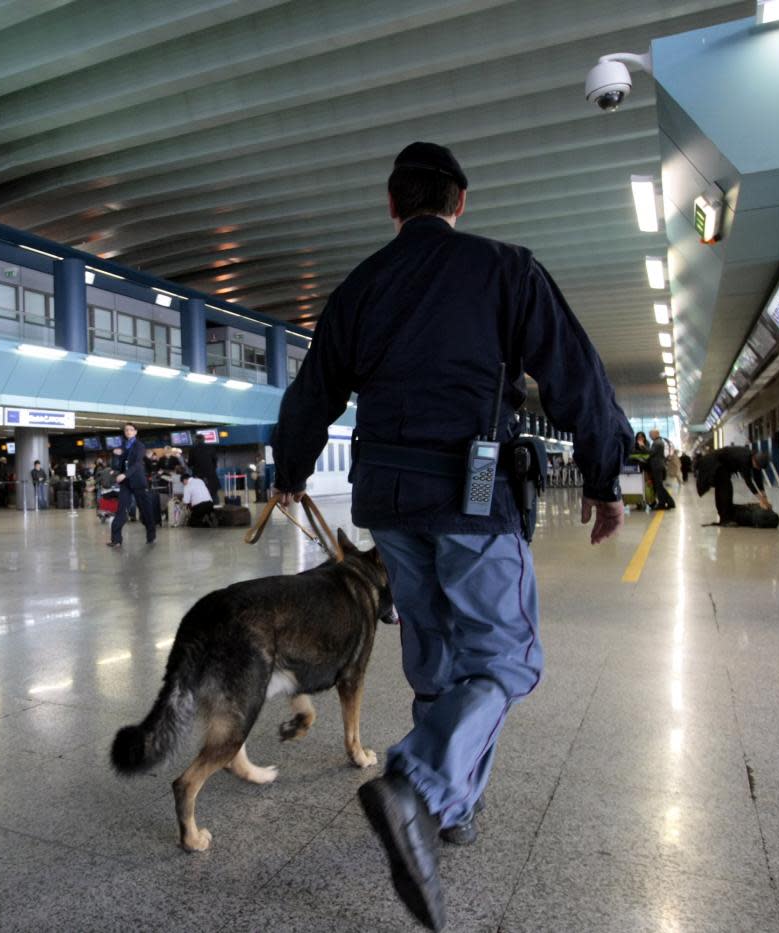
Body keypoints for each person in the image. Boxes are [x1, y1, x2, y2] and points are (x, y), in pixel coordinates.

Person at [268, 142, 630, 930]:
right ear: (459, 201)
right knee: (505, 656)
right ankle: (424, 784)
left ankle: (457, 807)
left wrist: (290, 468)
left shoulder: (360, 286)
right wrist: (605, 475)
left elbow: (314, 389)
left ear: (393, 206)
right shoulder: (505, 269)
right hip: (471, 493)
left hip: (389, 500)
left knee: (434, 653)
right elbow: (575, 371)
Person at [107, 422, 157, 549]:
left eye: (130, 430)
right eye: (126, 430)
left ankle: (151, 536)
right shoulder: (123, 446)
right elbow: (120, 463)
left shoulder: (139, 446)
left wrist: (125, 474)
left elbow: (137, 464)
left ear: (135, 432)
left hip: (138, 481)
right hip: (126, 484)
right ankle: (116, 540)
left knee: (145, 510)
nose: (128, 432)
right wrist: (115, 460)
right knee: (121, 510)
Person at [696, 445, 771, 525]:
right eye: (757, 466)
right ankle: (725, 519)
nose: (757, 468)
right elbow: (748, 481)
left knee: (724, 488)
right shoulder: (744, 459)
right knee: (726, 490)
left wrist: (764, 496)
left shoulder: (755, 458)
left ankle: (725, 517)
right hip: (713, 464)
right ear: (754, 460)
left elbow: (758, 479)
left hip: (722, 466)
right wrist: (761, 499)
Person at [647, 429, 676, 510]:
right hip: (658, 466)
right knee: (659, 486)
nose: (649, 436)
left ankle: (666, 503)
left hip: (657, 466)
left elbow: (651, 452)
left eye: (650, 434)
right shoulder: (658, 442)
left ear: (656, 434)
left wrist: (642, 446)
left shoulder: (657, 443)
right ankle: (666, 503)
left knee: (659, 486)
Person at [187, 434, 220, 504]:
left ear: (195, 440)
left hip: (198, 476)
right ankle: (217, 510)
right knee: (214, 494)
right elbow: (215, 461)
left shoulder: (192, 450)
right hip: (211, 476)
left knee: (199, 495)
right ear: (204, 439)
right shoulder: (211, 448)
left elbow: (190, 464)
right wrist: (212, 469)